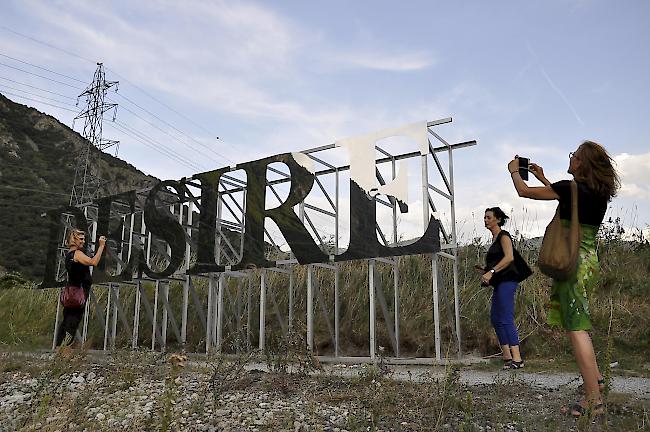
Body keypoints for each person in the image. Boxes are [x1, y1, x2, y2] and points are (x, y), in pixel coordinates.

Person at [508, 141, 619, 418]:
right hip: (586, 263)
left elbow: (523, 192)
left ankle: (594, 400)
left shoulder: (570, 189)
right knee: (578, 321)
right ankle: (597, 382)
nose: (570, 159)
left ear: (581, 163)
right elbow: (567, 198)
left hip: (571, 266)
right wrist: (544, 177)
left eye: (574, 156)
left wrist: (514, 172)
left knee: (576, 327)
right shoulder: (596, 192)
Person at [481, 207, 525, 370]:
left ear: (498, 219)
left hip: (508, 281)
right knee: (495, 318)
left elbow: (509, 258)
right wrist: (487, 271)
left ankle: (518, 358)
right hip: (499, 282)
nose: (485, 220)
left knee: (505, 317)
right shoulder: (493, 239)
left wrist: (491, 271)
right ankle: (507, 356)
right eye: (484, 218)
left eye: (489, 217)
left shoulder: (503, 236)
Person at [55, 229, 106, 348]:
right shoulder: (77, 254)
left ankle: (59, 347)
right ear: (74, 240)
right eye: (81, 239)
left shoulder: (69, 255)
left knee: (67, 318)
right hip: (78, 291)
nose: (83, 241)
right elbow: (93, 262)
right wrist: (101, 247)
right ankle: (64, 348)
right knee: (73, 320)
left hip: (71, 290)